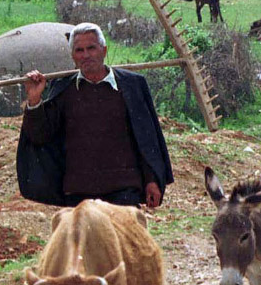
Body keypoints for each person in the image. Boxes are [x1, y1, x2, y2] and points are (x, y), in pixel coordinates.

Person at [16, 22, 173, 208]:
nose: (86, 55)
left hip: (124, 191)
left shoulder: (132, 86)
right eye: (79, 50)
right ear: (73, 56)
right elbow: (40, 136)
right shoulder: (63, 89)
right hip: (78, 194)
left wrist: (152, 180)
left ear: (104, 50)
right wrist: (34, 100)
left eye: (91, 48)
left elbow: (147, 139)